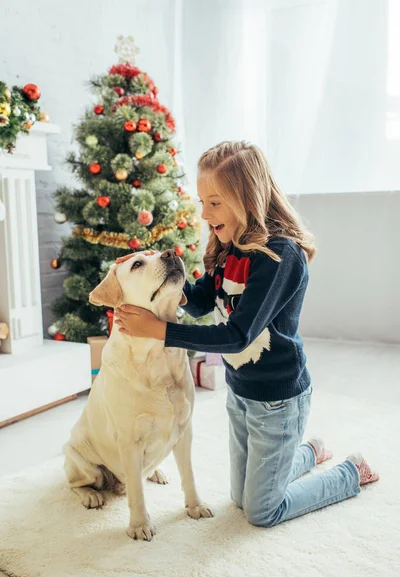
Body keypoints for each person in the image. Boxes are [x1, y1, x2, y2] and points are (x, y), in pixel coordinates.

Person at [114, 141, 379, 527]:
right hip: (241, 392)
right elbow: (202, 302)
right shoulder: (229, 246)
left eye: (215, 202)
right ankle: (307, 453)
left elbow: (237, 336)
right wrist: (164, 273)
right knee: (240, 498)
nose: (204, 213)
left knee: (261, 512)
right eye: (202, 201)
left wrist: (160, 330)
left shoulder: (280, 256)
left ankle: (351, 472)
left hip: (278, 399)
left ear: (247, 197)